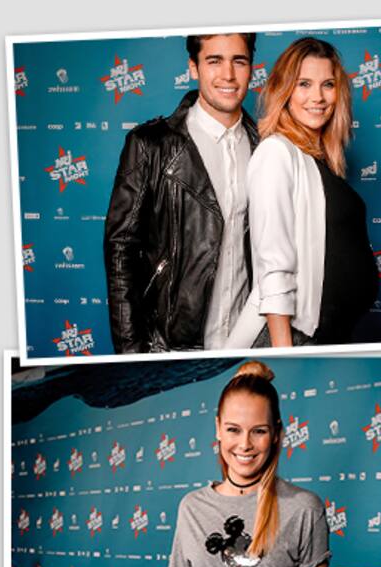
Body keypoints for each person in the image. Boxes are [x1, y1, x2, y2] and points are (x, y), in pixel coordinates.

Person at [105, 33, 259, 353]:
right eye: (214, 61)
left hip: (248, 342)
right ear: (193, 67)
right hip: (170, 347)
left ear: (252, 68)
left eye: (239, 61)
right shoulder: (151, 145)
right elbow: (120, 249)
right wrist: (131, 354)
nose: (228, 75)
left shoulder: (267, 146)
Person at [227, 37, 378, 348]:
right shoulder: (276, 152)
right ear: (284, 91)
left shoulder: (320, 162)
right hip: (290, 337)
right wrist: (286, 353)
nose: (317, 97)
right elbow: (273, 264)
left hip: (329, 336)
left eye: (328, 85)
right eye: (304, 84)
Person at [164, 361, 329, 567]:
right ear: (218, 428)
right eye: (233, 429)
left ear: (275, 433)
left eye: (259, 431)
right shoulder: (192, 508)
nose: (245, 444)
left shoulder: (304, 509)